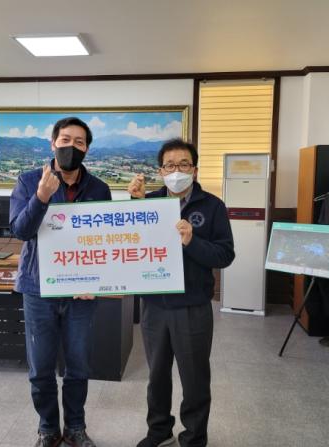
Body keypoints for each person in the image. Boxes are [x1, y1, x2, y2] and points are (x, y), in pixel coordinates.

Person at [10, 117, 111, 447]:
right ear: (53, 143)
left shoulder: (99, 189)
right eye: (65, 139)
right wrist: (41, 196)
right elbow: (21, 231)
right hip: (39, 289)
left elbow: (104, 240)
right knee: (40, 367)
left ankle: (75, 427)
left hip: (82, 292)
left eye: (79, 142)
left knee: (78, 365)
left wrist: (97, 280)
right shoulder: (29, 181)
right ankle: (48, 428)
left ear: (87, 149)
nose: (71, 146)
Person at [128, 138, 235, 447]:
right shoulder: (148, 202)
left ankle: (194, 438)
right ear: (161, 171)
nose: (177, 171)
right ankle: (159, 431)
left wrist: (191, 242)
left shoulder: (213, 206)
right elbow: (131, 242)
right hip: (154, 305)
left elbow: (225, 255)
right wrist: (134, 204)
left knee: (195, 378)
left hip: (192, 306)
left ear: (195, 170)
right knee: (156, 376)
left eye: (184, 164)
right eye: (170, 165)